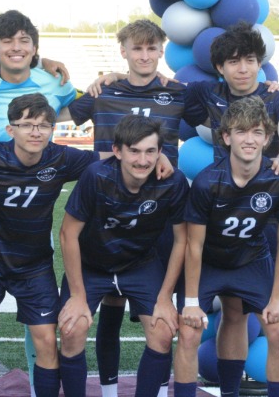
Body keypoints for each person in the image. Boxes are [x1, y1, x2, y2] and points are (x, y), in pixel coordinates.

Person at [0, 93, 111, 397]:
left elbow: (109, 159)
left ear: (52, 129)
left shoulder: (60, 158)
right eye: (26, 125)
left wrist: (149, 158)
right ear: (10, 129)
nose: (35, 132)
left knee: (47, 342)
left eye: (43, 125)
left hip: (34, 266)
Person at [182, 21, 279, 397]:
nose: (243, 68)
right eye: (233, 61)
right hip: (224, 214)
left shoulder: (278, 97)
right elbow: (159, 91)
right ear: (220, 67)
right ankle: (229, 391)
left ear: (260, 63)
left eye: (250, 60)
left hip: (268, 213)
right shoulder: (205, 92)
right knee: (232, 310)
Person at [58, 114, 189, 397]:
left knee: (163, 331)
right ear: (117, 151)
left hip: (140, 264)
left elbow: (182, 240)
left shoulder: (173, 182)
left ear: (160, 152)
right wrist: (77, 296)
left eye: (150, 151)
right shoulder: (96, 176)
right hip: (92, 265)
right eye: (134, 151)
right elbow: (68, 234)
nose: (142, 160)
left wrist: (165, 297)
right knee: (72, 329)